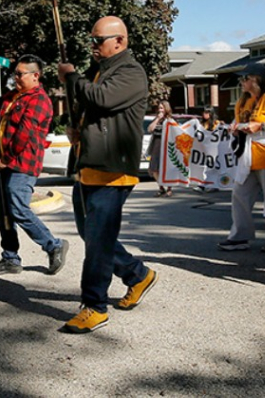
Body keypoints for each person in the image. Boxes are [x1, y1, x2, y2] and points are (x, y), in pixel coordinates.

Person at [57, 16, 157, 334]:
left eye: (98, 40)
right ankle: (137, 274)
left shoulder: (131, 72)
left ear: (120, 41)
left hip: (113, 171)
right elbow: (88, 107)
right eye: (92, 40)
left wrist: (71, 77)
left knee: (98, 242)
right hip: (88, 166)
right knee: (92, 235)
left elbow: (101, 98)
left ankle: (94, 306)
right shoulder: (98, 70)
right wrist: (76, 128)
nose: (93, 46)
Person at [0, 55, 69, 276]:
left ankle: (53, 245)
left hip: (22, 164)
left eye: (20, 74)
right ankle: (10, 258)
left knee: (18, 208)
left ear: (35, 75)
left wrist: (6, 159)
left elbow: (24, 134)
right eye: (15, 74)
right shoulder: (14, 96)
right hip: (6, 164)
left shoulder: (39, 100)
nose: (16, 78)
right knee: (3, 212)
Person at [217, 63, 265, 254]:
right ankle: (240, 236)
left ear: (256, 80)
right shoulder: (243, 102)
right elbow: (240, 124)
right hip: (248, 156)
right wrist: (235, 129)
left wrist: (261, 126)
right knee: (239, 195)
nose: (241, 82)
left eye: (245, 78)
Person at [147, 100, 174, 197]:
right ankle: (161, 187)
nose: (160, 110)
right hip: (156, 144)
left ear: (166, 109)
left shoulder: (170, 120)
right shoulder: (157, 119)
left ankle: (169, 188)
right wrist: (157, 119)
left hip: (167, 145)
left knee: (167, 168)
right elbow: (150, 129)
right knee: (154, 168)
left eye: (162, 108)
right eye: (159, 108)